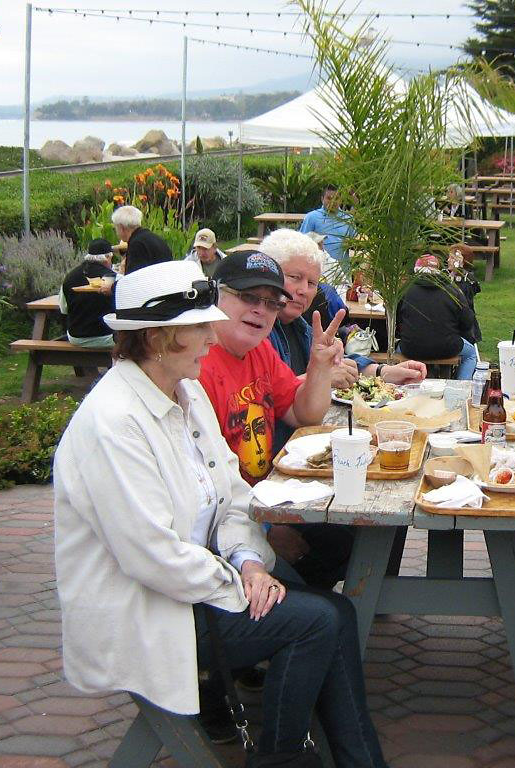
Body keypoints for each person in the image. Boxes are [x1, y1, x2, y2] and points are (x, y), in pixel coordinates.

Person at [53, 260, 388, 768]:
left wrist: (250, 562)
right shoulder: (113, 423)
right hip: (145, 610)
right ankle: (282, 758)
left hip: (188, 588)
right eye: (201, 326)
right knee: (317, 621)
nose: (213, 337)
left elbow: (231, 493)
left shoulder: (183, 393)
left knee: (332, 614)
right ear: (161, 338)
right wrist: (235, 580)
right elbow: (151, 556)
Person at [259, 228, 426, 443]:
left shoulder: (300, 326)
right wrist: (321, 377)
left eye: (311, 283)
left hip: (301, 443)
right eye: (295, 277)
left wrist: (384, 371)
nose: (304, 290)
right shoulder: (256, 332)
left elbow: (338, 363)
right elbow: (265, 391)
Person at [198, 251, 345, 486]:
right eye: (248, 297)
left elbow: (304, 414)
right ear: (215, 295)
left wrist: (319, 366)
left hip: (267, 497)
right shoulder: (195, 365)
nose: (261, 310)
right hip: (231, 512)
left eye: (272, 303)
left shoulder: (260, 350)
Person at [396, 255, 478, 380]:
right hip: (448, 347)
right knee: (471, 354)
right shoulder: (453, 290)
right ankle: (463, 386)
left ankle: (397, 386)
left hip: (411, 348)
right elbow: (467, 321)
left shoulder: (405, 290)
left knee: (394, 352)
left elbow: (396, 319)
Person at [58, 238, 117, 348]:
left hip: (76, 337)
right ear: (107, 257)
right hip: (106, 336)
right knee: (130, 339)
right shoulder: (112, 278)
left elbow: (63, 309)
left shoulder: (70, 276)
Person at [299, 184, 354, 271]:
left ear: (340, 200)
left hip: (343, 271)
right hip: (319, 269)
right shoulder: (312, 217)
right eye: (329, 198)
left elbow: (355, 242)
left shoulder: (348, 219)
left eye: (336, 199)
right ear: (322, 199)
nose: (332, 202)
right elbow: (302, 242)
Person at [112, 204, 173, 274]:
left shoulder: (137, 245)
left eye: (116, 228)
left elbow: (133, 277)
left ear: (121, 228)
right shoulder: (154, 237)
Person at [447, 243, 482, 342]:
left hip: (464, 321)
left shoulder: (468, 280)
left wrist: (458, 272)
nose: (448, 260)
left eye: (452, 258)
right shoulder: (445, 276)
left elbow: (465, 300)